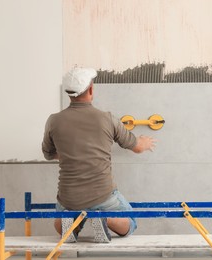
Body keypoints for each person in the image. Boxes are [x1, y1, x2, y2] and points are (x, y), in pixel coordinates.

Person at [42, 67, 156, 243]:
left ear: (69, 93)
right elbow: (137, 147)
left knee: (69, 212)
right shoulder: (106, 118)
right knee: (131, 222)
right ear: (91, 89)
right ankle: (105, 218)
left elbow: (48, 154)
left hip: (69, 197)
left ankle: (67, 221)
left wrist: (72, 153)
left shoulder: (54, 120)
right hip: (103, 196)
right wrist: (145, 142)